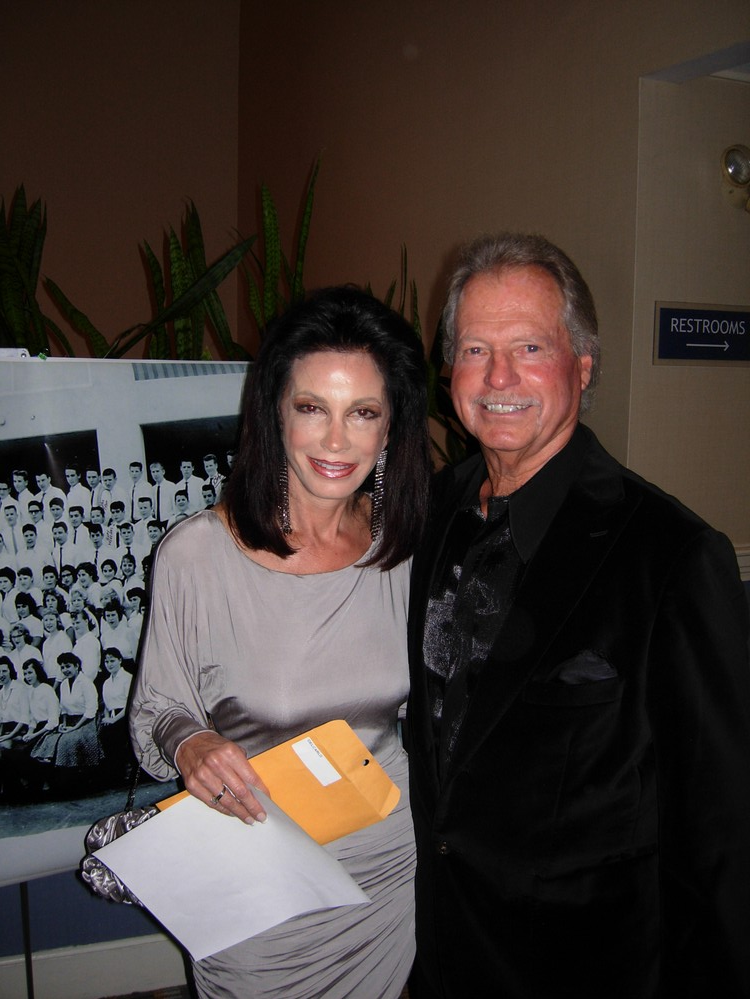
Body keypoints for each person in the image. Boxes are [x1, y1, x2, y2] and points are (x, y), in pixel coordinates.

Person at [406, 232, 750, 999]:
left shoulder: (670, 558)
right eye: (475, 349)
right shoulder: (429, 512)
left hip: (585, 973)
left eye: (530, 347)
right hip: (441, 957)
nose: (499, 376)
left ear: (583, 366)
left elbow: (721, 842)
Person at [130, 286, 431, 999]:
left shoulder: (406, 549)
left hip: (391, 875)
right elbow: (156, 712)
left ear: (391, 427)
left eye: (363, 413)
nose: (336, 441)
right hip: (259, 881)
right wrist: (190, 743)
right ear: (275, 412)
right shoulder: (197, 555)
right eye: (312, 408)